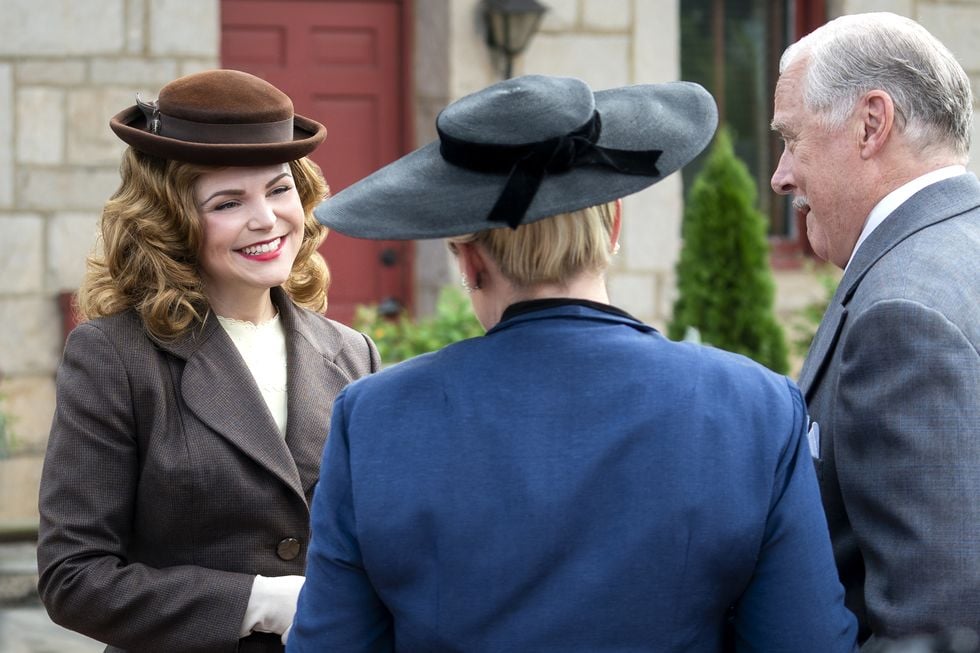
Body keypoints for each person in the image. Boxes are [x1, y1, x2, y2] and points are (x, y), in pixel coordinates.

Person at [286, 74, 857, 652]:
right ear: (613, 226)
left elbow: (331, 642)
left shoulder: (377, 418)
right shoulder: (752, 407)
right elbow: (805, 638)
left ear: (468, 260)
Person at [36, 69, 380, 653]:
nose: (267, 219)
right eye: (227, 202)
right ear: (169, 222)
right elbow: (74, 576)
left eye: (278, 189)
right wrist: (261, 603)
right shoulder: (113, 357)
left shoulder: (352, 352)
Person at [770, 12, 980, 647]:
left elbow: (934, 626)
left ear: (870, 124)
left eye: (791, 139)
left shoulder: (901, 315)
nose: (781, 175)